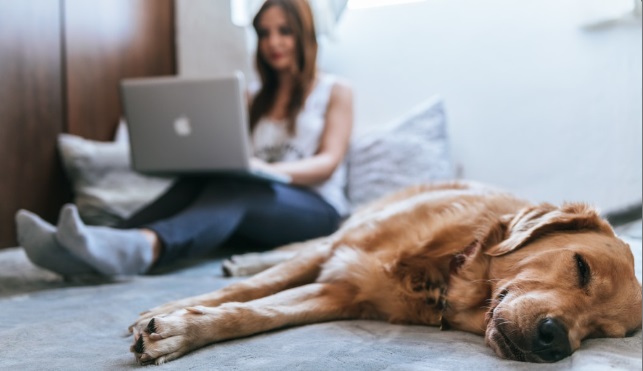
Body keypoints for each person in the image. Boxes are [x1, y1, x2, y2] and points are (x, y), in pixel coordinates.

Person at [15, 0, 353, 276]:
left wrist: (268, 169)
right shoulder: (251, 96)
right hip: (256, 197)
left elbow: (328, 162)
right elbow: (232, 152)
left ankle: (146, 247)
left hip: (315, 209)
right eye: (264, 34)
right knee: (207, 180)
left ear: (304, 35)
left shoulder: (334, 90)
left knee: (238, 188)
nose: (273, 43)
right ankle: (94, 244)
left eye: (284, 32)